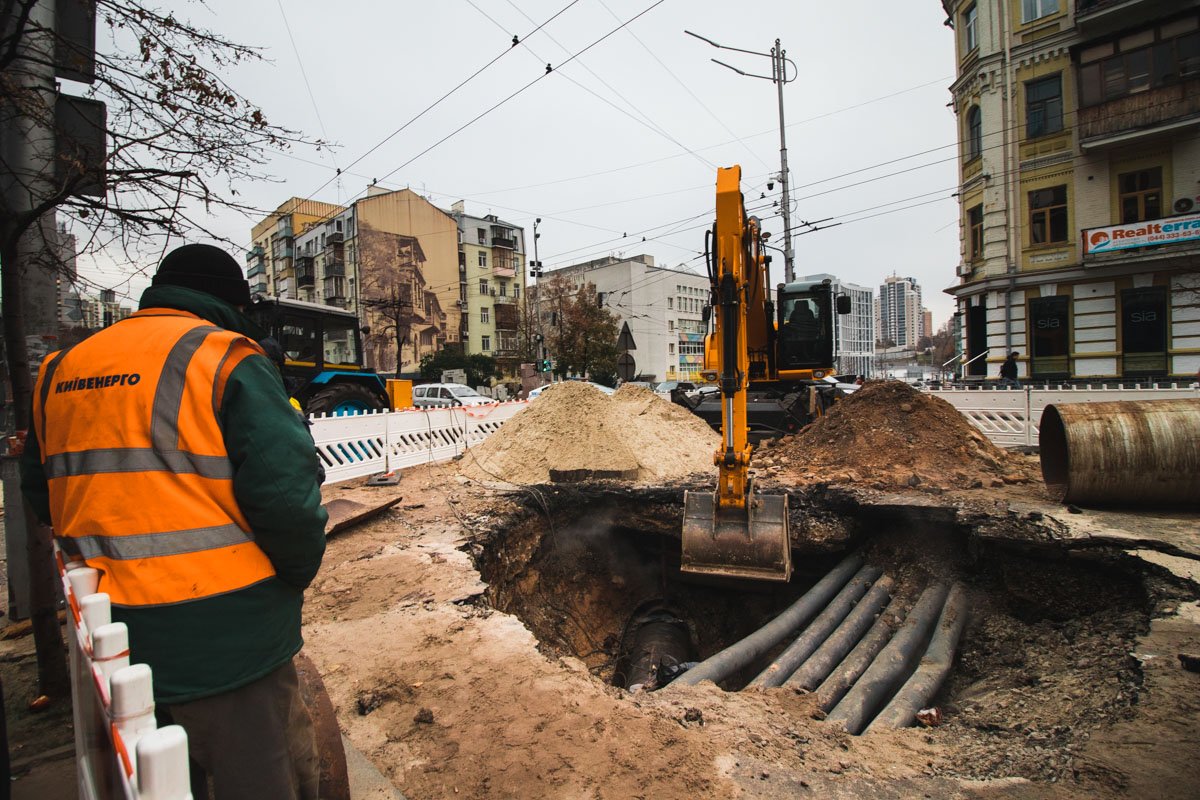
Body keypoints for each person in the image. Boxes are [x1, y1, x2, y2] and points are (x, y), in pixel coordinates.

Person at [21, 244, 328, 800]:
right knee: (261, 777)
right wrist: (292, 577)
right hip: (227, 635)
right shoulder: (226, 357)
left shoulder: (60, 368)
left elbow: (42, 496)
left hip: (111, 631)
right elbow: (288, 500)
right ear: (233, 303)